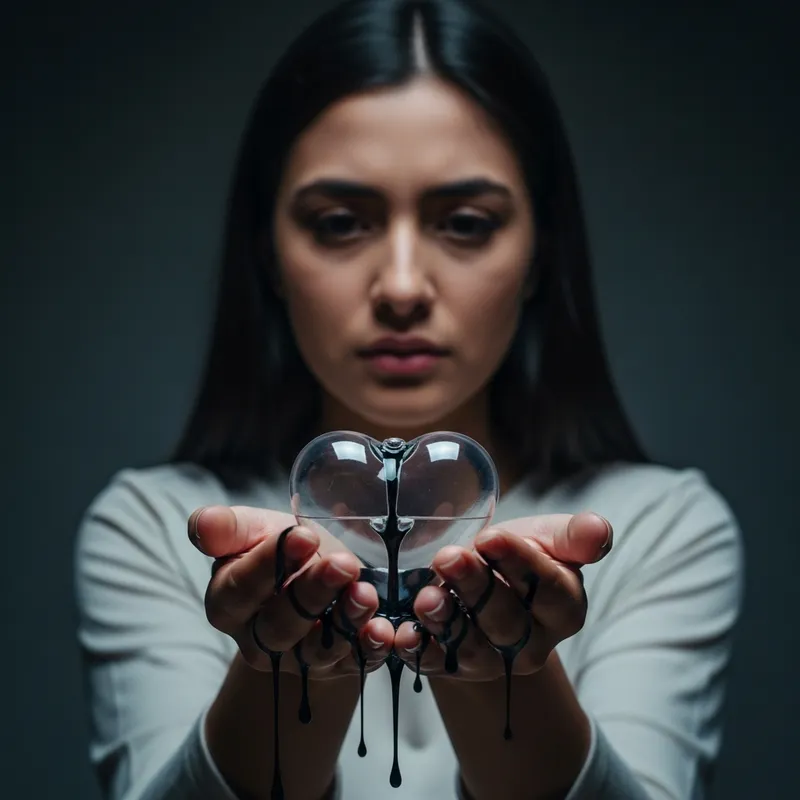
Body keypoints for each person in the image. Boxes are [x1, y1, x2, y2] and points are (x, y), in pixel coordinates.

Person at [74, 1, 744, 798]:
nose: (399, 287)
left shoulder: (658, 531)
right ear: (269, 255)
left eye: (464, 222)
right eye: (338, 223)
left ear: (538, 255)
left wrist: (511, 673)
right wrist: (282, 675)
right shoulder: (159, 529)